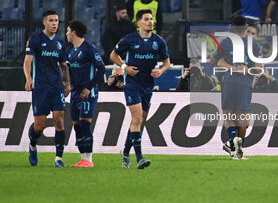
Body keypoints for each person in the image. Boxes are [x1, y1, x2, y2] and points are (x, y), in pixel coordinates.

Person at [110, 9, 170, 169]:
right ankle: (139, 158)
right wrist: (124, 67)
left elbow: (167, 62)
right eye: (147, 19)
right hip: (132, 84)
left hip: (147, 85)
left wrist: (161, 71)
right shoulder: (129, 39)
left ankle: (125, 151)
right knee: (137, 119)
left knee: (138, 121)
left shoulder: (158, 41)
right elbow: (113, 55)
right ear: (139, 23)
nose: (150, 21)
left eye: (151, 19)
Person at [23, 10, 71, 168]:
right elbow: (28, 61)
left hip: (56, 86)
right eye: (51, 20)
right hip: (41, 87)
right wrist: (29, 78)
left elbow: (64, 65)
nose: (55, 23)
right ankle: (32, 144)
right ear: (44, 22)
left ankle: (58, 158)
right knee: (40, 125)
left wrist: (67, 83)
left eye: (57, 20)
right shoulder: (35, 39)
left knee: (59, 119)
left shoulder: (60, 42)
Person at [217, 15, 261, 160]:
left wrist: (232, 68)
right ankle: (237, 149)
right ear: (246, 26)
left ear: (232, 27)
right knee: (244, 121)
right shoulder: (253, 45)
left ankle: (232, 144)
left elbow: (217, 62)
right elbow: (258, 68)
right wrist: (246, 70)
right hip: (245, 82)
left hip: (229, 80)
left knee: (228, 115)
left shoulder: (225, 42)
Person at [65, 19, 105, 168]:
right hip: (75, 92)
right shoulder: (69, 50)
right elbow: (67, 70)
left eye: (68, 30)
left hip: (88, 92)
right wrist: (67, 85)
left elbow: (101, 69)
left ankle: (89, 159)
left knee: (84, 123)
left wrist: (89, 87)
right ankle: (83, 159)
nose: (67, 33)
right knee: (76, 125)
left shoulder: (89, 48)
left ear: (74, 32)